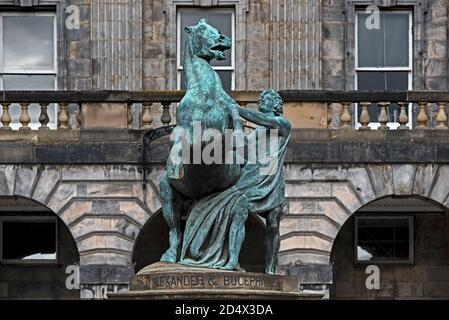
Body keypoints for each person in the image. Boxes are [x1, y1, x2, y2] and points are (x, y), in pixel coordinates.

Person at [179, 89, 291, 274]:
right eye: (261, 98)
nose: (262, 100)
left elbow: (265, 121)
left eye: (267, 98)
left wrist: (236, 109)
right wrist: (235, 122)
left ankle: (270, 269)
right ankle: (231, 261)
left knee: (273, 224)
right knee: (238, 211)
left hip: (272, 180)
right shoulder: (255, 133)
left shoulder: (282, 124)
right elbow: (242, 148)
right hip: (250, 179)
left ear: (276, 104)